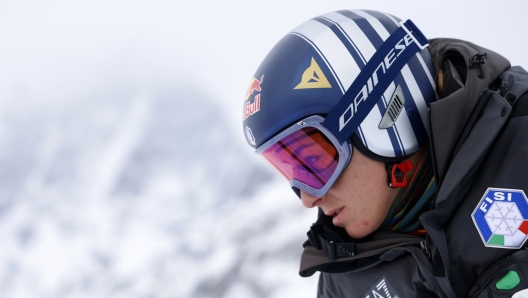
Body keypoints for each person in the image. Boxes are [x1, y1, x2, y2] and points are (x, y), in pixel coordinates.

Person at [242, 9, 528, 298]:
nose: (308, 198)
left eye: (315, 162)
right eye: (292, 171)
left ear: (382, 120)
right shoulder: (343, 282)